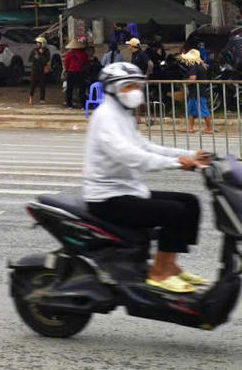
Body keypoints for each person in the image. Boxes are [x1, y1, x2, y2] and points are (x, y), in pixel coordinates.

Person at [84, 62, 209, 293]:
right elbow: (132, 156)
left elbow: (145, 146)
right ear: (112, 89)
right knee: (175, 212)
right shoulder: (105, 117)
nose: (135, 91)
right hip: (107, 198)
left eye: (137, 86)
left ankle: (171, 265)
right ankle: (159, 273)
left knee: (190, 202)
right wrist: (176, 163)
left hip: (129, 190)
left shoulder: (123, 114)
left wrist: (191, 155)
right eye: (129, 86)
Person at [179, 50, 212, 135]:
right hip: (195, 92)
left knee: (203, 109)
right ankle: (190, 127)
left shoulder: (193, 67)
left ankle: (209, 128)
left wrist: (185, 83)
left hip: (198, 92)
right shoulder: (201, 66)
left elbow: (192, 78)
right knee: (192, 110)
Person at [63, 39, 90, 109]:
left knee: (69, 89)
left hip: (71, 72)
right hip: (80, 73)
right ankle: (83, 105)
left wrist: (67, 70)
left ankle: (69, 104)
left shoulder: (69, 54)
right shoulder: (84, 54)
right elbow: (87, 62)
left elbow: (66, 63)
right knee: (82, 89)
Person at [28, 36, 51, 105]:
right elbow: (30, 59)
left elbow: (46, 60)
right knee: (33, 84)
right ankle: (31, 98)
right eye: (37, 43)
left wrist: (41, 55)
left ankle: (42, 99)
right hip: (35, 69)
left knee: (42, 85)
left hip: (42, 69)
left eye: (39, 43)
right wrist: (35, 58)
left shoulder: (46, 51)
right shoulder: (34, 50)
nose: (37, 44)